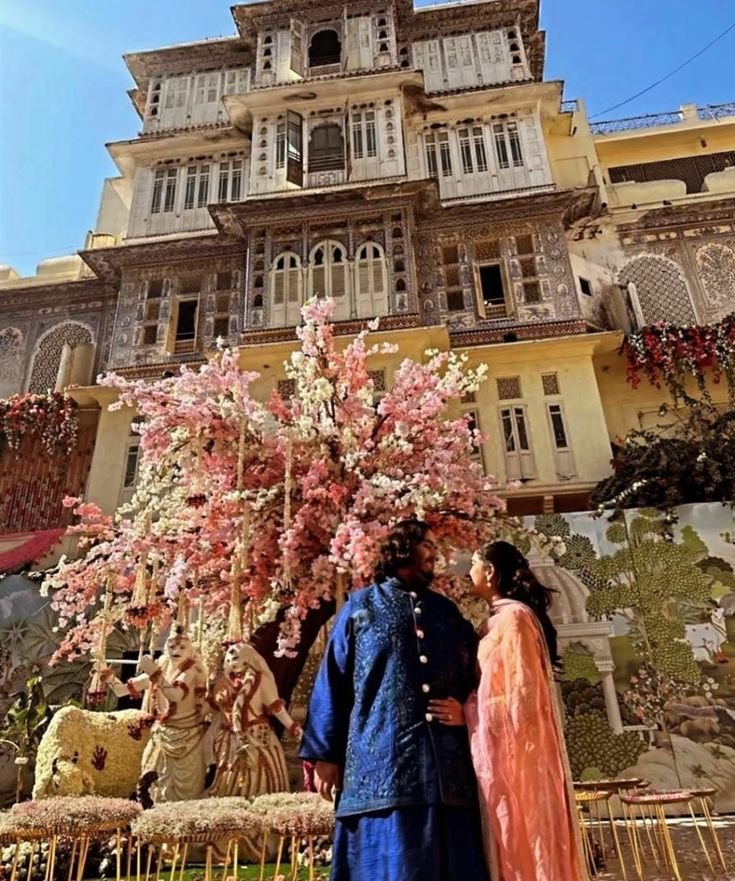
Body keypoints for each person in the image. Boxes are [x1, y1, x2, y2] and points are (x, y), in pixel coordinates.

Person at [300, 519, 489, 881]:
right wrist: (325, 754)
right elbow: (333, 680)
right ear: (404, 548)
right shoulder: (360, 609)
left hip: (446, 774)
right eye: (428, 546)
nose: (435, 555)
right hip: (378, 767)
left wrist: (469, 712)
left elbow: (480, 675)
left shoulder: (446, 613)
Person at [459, 540, 587, 881]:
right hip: (503, 756)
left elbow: (522, 699)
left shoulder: (514, 619)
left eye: (472, 562)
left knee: (524, 837)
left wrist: (468, 713)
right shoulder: (499, 619)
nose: (466, 571)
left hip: (520, 760)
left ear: (489, 571)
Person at [102, 626, 209, 802]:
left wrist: (154, 672)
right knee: (153, 787)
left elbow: (175, 695)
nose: (176, 651)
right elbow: (122, 691)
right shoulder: (162, 668)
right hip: (162, 737)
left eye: (182, 647)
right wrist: (106, 674)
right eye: (172, 647)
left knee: (185, 796)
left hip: (188, 740)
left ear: (190, 651)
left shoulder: (191, 672)